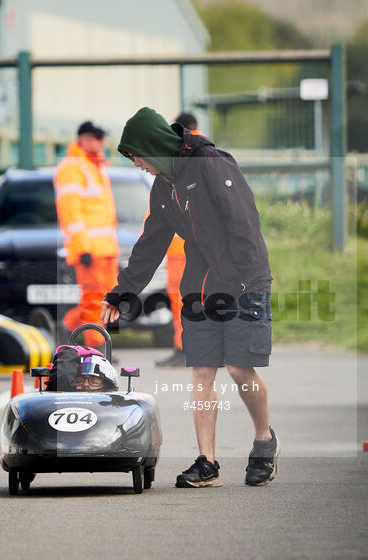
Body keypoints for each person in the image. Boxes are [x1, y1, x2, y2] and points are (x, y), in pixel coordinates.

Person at [101, 107, 280, 488]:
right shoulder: (163, 188)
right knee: (201, 370)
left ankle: (264, 440)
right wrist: (122, 291)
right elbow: (150, 244)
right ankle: (207, 462)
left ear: (152, 148)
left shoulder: (211, 165)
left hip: (244, 281)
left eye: (137, 157)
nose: (138, 165)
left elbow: (246, 229)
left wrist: (228, 286)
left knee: (238, 369)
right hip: (201, 286)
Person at [54, 121, 119, 350]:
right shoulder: (73, 167)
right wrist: (82, 248)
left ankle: (66, 327)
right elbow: (70, 211)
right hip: (89, 248)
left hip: (105, 248)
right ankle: (96, 349)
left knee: (105, 300)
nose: (101, 142)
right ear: (83, 139)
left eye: (102, 137)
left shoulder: (95, 166)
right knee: (93, 300)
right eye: (96, 137)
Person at [156, 112, 203, 368]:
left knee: (181, 299)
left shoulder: (173, 156)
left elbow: (161, 203)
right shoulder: (210, 154)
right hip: (203, 245)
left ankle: (184, 348)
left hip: (178, 247)